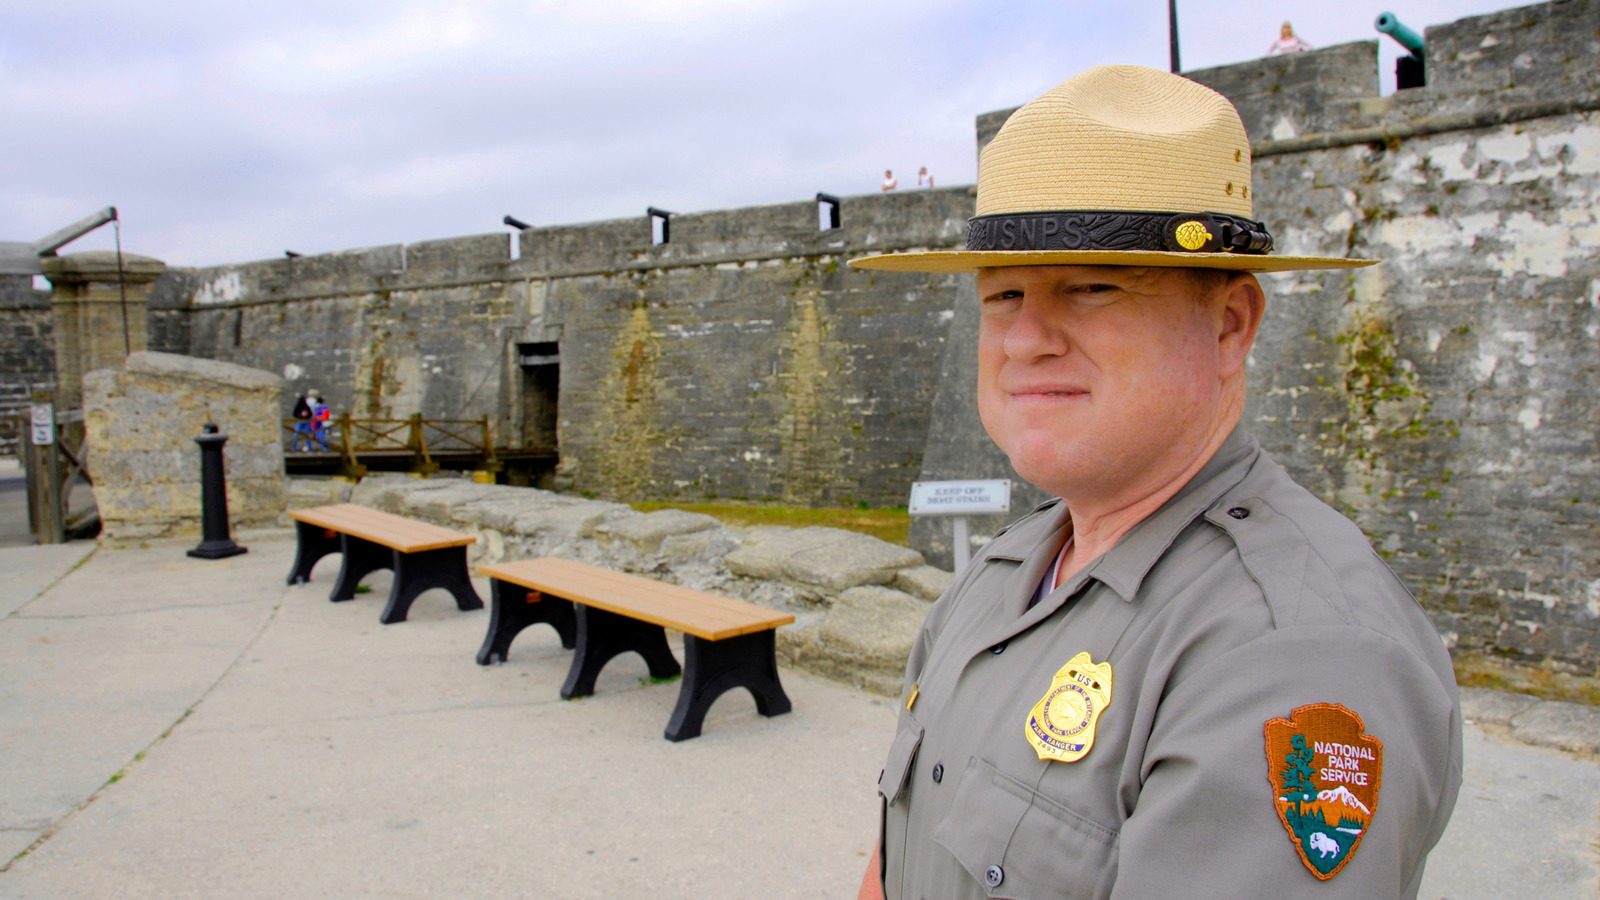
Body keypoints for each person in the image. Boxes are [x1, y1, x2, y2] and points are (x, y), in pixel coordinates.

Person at [848, 65, 1460, 900]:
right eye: (1003, 294)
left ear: (1229, 326)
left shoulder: (1289, 655)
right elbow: (897, 855)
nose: (1026, 338)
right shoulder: (1000, 577)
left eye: (1094, 287)